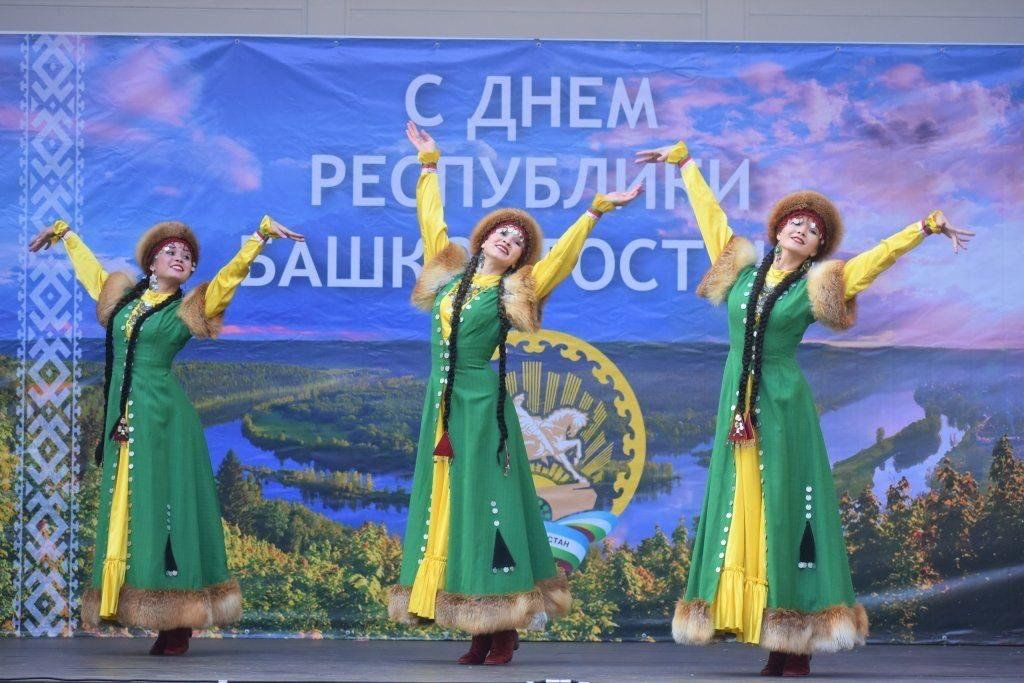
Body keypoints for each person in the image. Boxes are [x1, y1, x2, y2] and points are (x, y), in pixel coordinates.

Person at [635, 140, 973, 677]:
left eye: (813, 229)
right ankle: (762, 626)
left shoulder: (816, 286)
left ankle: (795, 642)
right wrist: (685, 163)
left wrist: (923, 228)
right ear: (777, 230)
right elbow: (709, 216)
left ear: (817, 249)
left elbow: (871, 263)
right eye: (795, 221)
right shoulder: (740, 269)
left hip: (783, 402)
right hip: (737, 403)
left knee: (787, 507)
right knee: (741, 506)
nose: (802, 228)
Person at [388, 122, 642, 665]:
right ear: (483, 239)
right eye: (502, 232)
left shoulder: (514, 290)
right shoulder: (449, 277)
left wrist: (594, 212)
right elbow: (431, 222)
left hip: (483, 405)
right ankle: (478, 624)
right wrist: (428, 164)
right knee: (455, 507)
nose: (509, 239)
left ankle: (502, 627)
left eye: (519, 240)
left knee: (490, 504)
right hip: (443, 407)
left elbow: (561, 260)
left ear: (521, 257)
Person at [28, 215, 304, 655]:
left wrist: (258, 239)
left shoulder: (187, 307)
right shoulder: (122, 300)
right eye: (171, 251)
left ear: (191, 271)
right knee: (131, 510)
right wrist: (67, 236)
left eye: (188, 257)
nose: (181, 257)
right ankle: (135, 605)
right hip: (125, 422)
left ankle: (178, 623)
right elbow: (93, 275)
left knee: (166, 510)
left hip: (165, 421)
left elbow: (227, 281)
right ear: (151, 262)